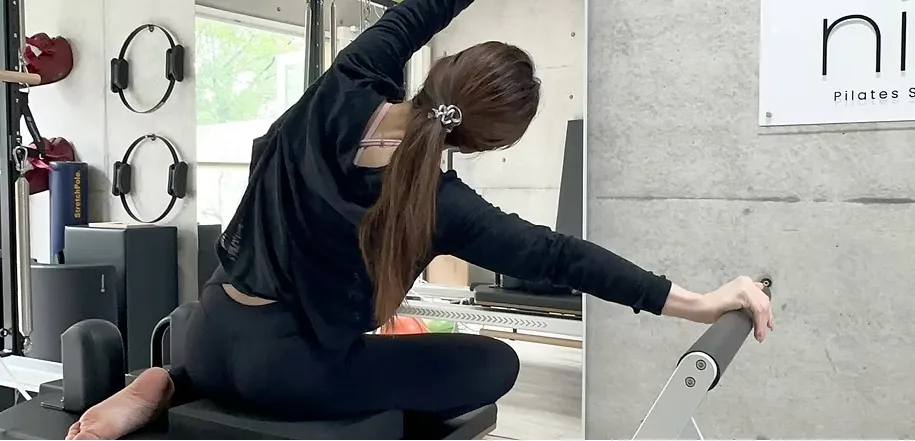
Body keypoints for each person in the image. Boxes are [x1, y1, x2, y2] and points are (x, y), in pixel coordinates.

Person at [64, 0, 774, 439]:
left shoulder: (345, 82)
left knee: (332, 345)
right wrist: (700, 302)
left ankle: (168, 380)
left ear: (442, 72)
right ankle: (190, 383)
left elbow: (419, 10)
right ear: (487, 143)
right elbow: (562, 256)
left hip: (206, 330)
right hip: (286, 373)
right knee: (494, 362)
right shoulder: (441, 204)